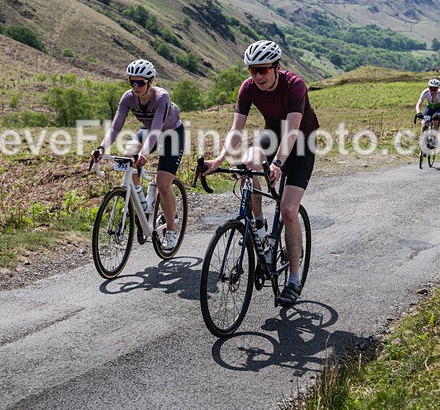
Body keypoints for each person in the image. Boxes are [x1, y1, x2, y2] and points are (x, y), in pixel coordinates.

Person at [201, 40, 319, 307]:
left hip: (301, 141)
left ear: (277, 67)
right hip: (272, 135)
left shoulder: (295, 85)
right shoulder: (248, 87)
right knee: (249, 161)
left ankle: (293, 279)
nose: (257, 76)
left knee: (289, 210)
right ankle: (258, 225)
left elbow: (291, 134)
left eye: (263, 70)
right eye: (252, 70)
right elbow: (236, 130)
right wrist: (220, 159)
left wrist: (277, 164)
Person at [91, 59, 185, 249]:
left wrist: (144, 154)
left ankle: (172, 230)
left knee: (163, 183)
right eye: (132, 82)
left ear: (150, 82)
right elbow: (116, 127)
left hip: (171, 135)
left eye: (140, 82)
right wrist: (102, 148)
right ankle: (142, 204)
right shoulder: (128, 98)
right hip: (147, 130)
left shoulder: (161, 97)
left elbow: (157, 130)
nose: (136, 86)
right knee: (127, 155)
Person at [415, 78, 440, 148]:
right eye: (431, 88)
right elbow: (418, 104)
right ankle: (423, 144)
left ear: (438, 89)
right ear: (428, 88)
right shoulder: (425, 92)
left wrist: (439, 115)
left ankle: (434, 140)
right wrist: (418, 112)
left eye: (435, 89)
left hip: (438, 108)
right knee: (423, 125)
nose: (433, 91)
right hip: (429, 107)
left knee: (435, 121)